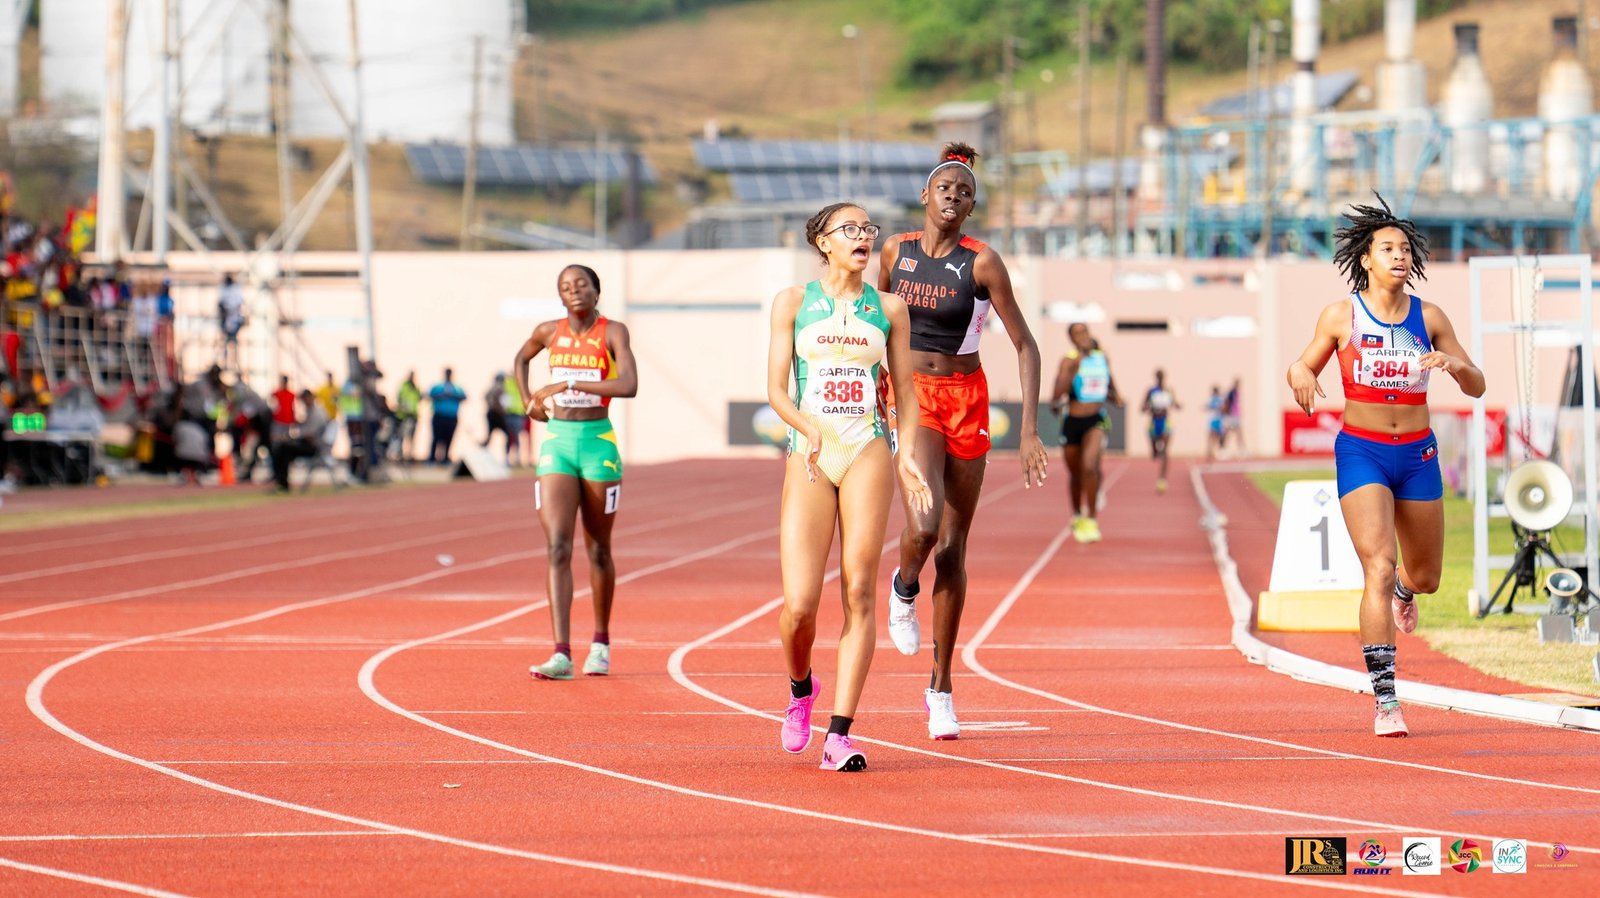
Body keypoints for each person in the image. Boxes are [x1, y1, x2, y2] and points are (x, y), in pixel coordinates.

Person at [1286, 194, 1484, 738]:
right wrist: (1298, 372)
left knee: (1425, 576)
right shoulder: (1341, 314)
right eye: (1387, 247)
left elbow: (1477, 383)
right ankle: (1386, 698)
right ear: (1367, 259)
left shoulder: (1430, 316)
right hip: (1363, 451)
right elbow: (1302, 364)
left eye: (1405, 248)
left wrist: (1454, 363)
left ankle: (1404, 591)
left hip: (1418, 455)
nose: (1399, 255)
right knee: (1376, 564)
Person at [878, 142, 1049, 740]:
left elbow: (1025, 344)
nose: (954, 196)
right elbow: (875, 324)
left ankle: (941, 686)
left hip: (968, 397)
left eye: (965, 192)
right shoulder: (893, 253)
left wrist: (1028, 429)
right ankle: (903, 589)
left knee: (952, 549)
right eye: (945, 188)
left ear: (973, 207)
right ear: (926, 196)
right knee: (922, 528)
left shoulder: (982, 263)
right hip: (914, 396)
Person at [768, 202, 930, 772]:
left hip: (866, 449)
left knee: (859, 592)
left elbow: (906, 394)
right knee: (799, 608)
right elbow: (776, 391)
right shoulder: (792, 302)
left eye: (869, 229)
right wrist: (808, 429)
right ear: (823, 242)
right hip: (811, 455)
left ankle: (839, 735)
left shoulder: (889, 307)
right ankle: (799, 689)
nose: (863, 237)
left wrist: (907, 453)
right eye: (850, 230)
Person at [517, 264, 638, 682]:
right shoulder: (549, 331)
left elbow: (628, 385)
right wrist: (527, 401)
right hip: (558, 445)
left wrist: (567, 386)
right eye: (566, 287)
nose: (575, 291)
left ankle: (600, 643)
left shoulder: (614, 332)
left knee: (599, 549)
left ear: (596, 290)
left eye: (582, 284)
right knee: (557, 549)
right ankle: (561, 654)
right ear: (560, 295)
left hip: (598, 444)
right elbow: (521, 358)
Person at [1051, 326, 1121, 542]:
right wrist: (1074, 367)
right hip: (1072, 420)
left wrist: (1116, 397)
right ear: (1071, 339)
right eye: (1078, 334)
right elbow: (1057, 394)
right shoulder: (1068, 360)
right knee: (1075, 475)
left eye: (1085, 332)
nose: (1083, 336)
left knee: (1089, 466)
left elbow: (1110, 384)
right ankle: (1077, 514)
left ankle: (1091, 519)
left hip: (1096, 419)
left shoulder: (1102, 358)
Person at [1142, 369, 1179, 493]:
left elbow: (1175, 403)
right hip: (1154, 421)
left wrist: (1178, 405)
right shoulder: (1151, 391)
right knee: (1155, 453)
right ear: (1156, 378)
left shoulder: (1169, 391)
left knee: (1164, 451)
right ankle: (1156, 451)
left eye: (1162, 376)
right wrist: (1148, 407)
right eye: (1158, 377)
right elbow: (1142, 407)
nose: (1160, 379)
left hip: (1165, 421)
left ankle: (1162, 479)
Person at [426, 367, 467, 465]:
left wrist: (452, 395)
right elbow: (430, 396)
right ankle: (432, 459)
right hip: (439, 416)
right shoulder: (438, 386)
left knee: (449, 438)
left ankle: (445, 459)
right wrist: (442, 395)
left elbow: (464, 397)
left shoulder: (456, 388)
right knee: (436, 438)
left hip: (452, 417)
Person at [393, 371, 422, 462]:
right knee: (400, 435)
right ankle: (399, 454)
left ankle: (409, 455)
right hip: (403, 416)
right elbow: (400, 399)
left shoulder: (415, 388)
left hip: (412, 416)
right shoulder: (404, 386)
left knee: (411, 437)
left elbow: (418, 399)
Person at [1222, 377, 1245, 457]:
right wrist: (1228, 413)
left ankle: (1241, 450)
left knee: (1238, 433)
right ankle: (1223, 450)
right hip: (1232, 416)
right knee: (1228, 433)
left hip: (1236, 416)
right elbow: (1227, 402)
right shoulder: (1231, 392)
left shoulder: (1236, 392)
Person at [1204, 385, 1226, 462]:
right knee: (1213, 437)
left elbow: (1223, 408)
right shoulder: (1215, 399)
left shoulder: (1217, 399)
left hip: (1216, 420)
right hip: (1215, 420)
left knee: (1216, 437)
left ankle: (1214, 451)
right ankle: (1210, 452)